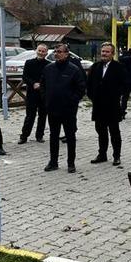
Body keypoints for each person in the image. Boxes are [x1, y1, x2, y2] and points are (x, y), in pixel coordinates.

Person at [40, 43, 86, 173]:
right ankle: (53, 162)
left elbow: (81, 88)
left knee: (70, 136)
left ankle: (71, 163)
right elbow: (43, 85)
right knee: (53, 136)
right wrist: (46, 99)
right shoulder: (48, 68)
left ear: (66, 54)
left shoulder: (74, 69)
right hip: (52, 108)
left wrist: (72, 100)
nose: (56, 54)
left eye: (59, 52)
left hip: (68, 110)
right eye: (55, 51)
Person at [87, 42, 126, 166]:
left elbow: (124, 85)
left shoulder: (119, 67)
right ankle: (102, 154)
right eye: (103, 51)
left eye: (107, 52)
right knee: (101, 131)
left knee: (114, 132)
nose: (104, 54)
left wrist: (115, 95)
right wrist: (93, 97)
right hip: (98, 105)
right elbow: (89, 84)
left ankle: (116, 156)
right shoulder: (95, 66)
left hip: (112, 106)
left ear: (112, 54)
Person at [18, 44, 50, 144]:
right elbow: (25, 76)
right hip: (32, 93)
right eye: (39, 50)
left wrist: (41, 84)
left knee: (43, 116)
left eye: (43, 51)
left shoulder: (49, 65)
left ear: (46, 53)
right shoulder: (29, 63)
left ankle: (39, 136)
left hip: (43, 94)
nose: (41, 53)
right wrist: (33, 84)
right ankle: (24, 136)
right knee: (30, 116)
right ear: (36, 51)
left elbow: (50, 78)